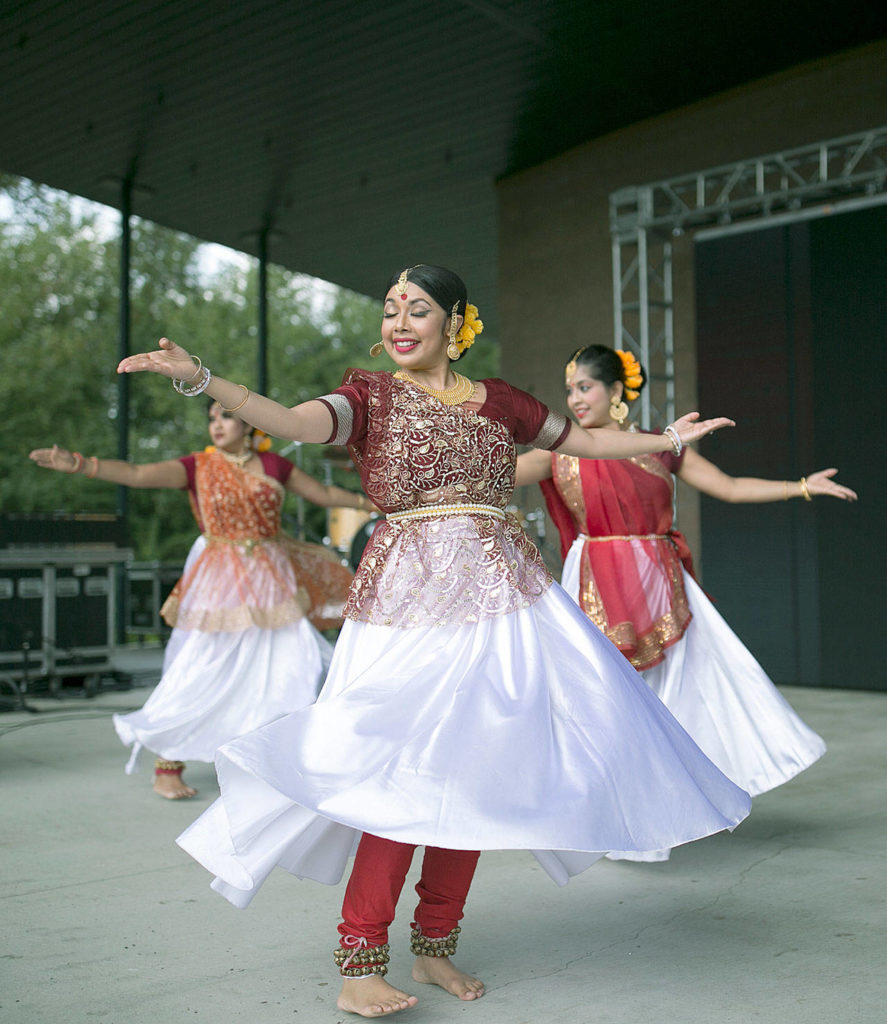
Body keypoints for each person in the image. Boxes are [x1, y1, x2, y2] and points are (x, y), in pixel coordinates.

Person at [117, 265, 751, 1018]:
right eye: (389, 309)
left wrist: (668, 437)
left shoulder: (503, 401)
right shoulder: (367, 397)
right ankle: (359, 960)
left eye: (416, 308)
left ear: (455, 322)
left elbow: (586, 438)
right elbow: (286, 421)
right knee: (394, 775)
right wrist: (205, 379)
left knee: (480, 774)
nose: (398, 320)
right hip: (406, 606)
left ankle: (435, 946)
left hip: (504, 601)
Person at [517, 345, 856, 857]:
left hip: (661, 586)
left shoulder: (659, 447)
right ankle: (611, 819)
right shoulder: (559, 452)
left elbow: (731, 487)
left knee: (679, 701)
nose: (574, 398)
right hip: (593, 585)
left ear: (616, 392)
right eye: (569, 390)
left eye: (584, 386)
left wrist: (803, 487)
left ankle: (663, 816)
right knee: (601, 707)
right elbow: (489, 476)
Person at [29, 402, 367, 799]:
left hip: (271, 579)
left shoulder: (276, 466)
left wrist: (376, 504)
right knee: (203, 665)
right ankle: (167, 763)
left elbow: (324, 493)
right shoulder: (198, 467)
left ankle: (270, 758)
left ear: (249, 424)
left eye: (225, 416)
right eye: (211, 418)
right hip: (219, 579)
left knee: (290, 665)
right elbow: (138, 475)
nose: (217, 425)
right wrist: (82, 465)